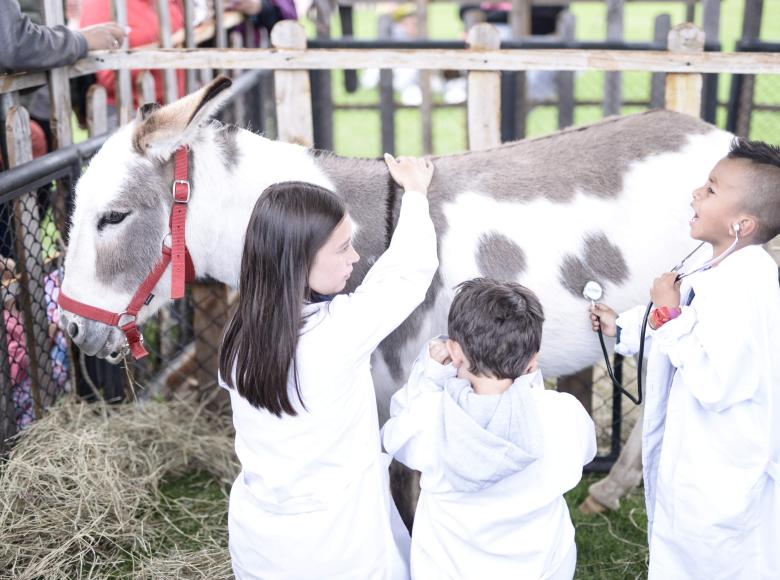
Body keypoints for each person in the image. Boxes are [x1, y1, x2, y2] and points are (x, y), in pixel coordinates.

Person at [219, 154, 437, 579]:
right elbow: (406, 273)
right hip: (338, 547)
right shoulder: (337, 335)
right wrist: (415, 194)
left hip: (262, 543)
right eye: (342, 248)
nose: (355, 257)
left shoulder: (239, 337)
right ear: (300, 260)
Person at [589, 138, 780, 580]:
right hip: (695, 457)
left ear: (742, 224)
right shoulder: (713, 262)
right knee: (684, 546)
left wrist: (667, 313)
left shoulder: (746, 283)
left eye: (712, 190)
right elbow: (686, 324)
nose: (696, 193)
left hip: (720, 464)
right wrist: (623, 327)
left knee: (713, 557)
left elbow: (720, 381)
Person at [382, 278, 596, 579]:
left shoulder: (429, 419)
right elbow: (583, 453)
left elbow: (396, 434)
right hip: (542, 568)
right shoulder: (562, 414)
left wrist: (430, 376)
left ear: (454, 352)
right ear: (532, 361)